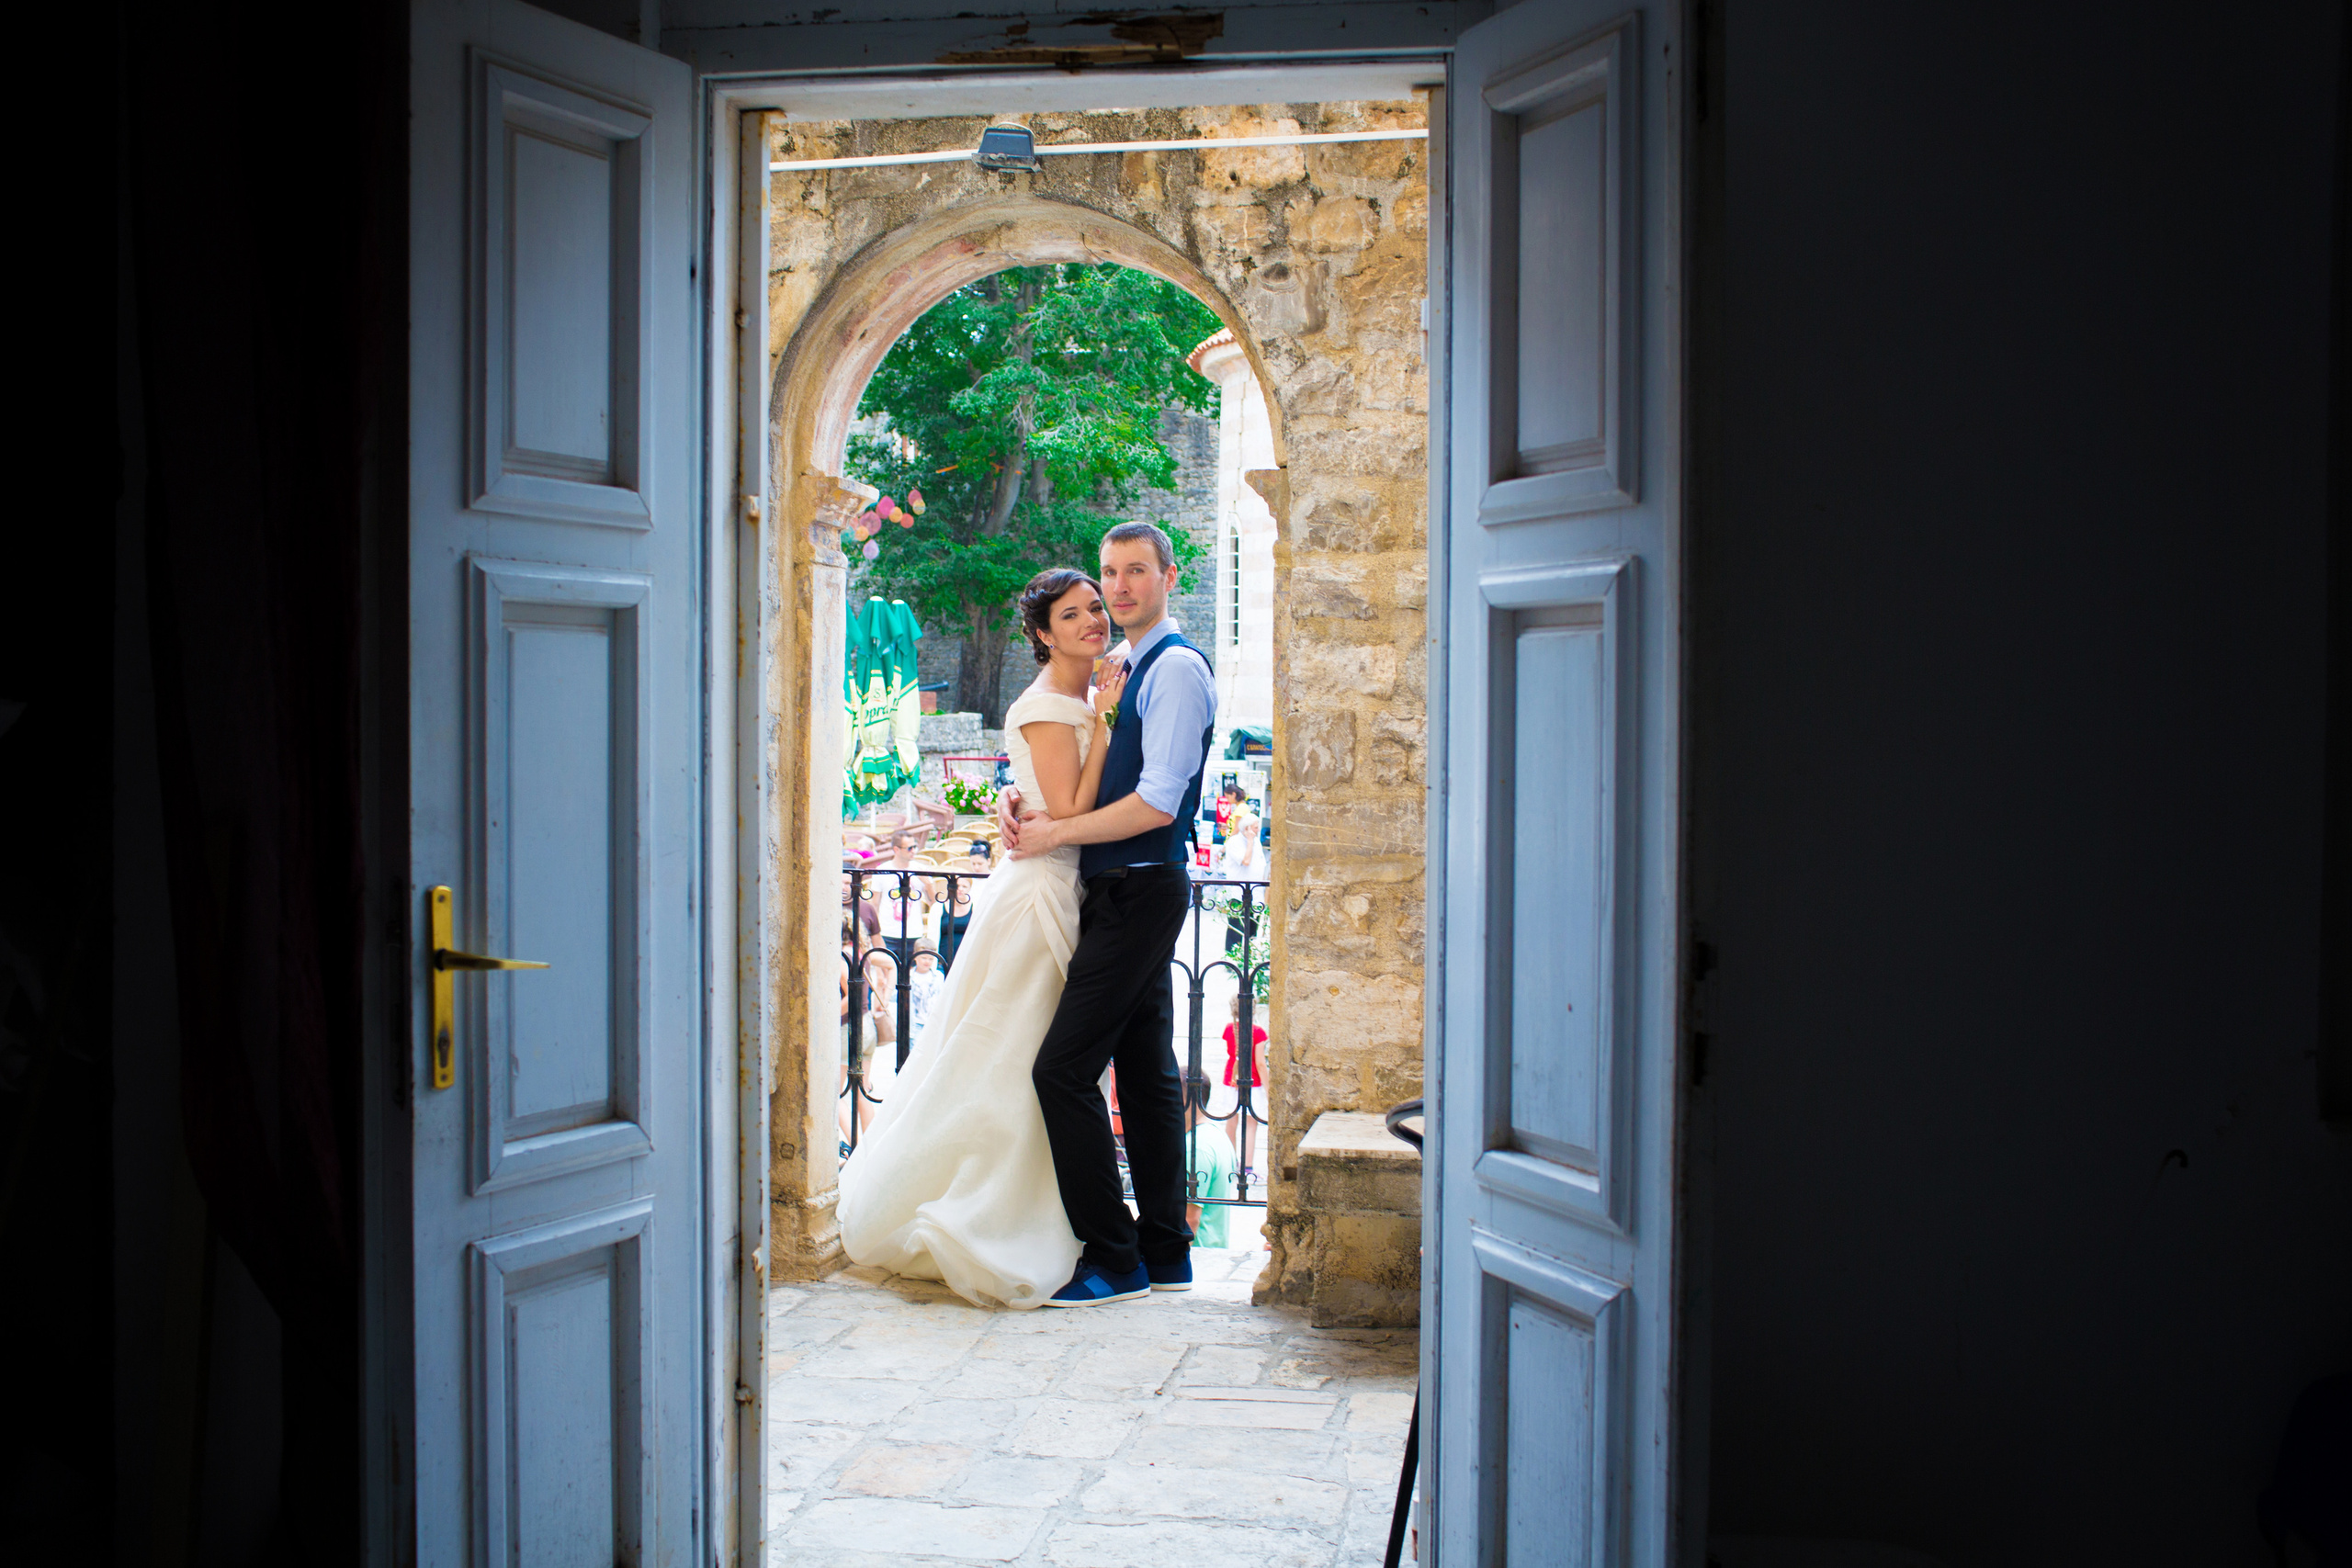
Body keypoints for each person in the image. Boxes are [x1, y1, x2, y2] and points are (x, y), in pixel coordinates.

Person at [833, 568, 1125, 1308]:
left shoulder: (1079, 698)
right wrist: (1110, 725)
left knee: (1027, 1058)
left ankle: (1044, 1204)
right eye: (1073, 614)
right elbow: (1066, 806)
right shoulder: (1053, 705)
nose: (1093, 619)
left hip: (1057, 882)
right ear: (1041, 633)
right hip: (1040, 894)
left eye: (1096, 607)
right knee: (1012, 1056)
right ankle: (985, 1208)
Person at [998, 521, 1218, 1306]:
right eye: (1108, 575)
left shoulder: (1177, 669)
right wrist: (1019, 801)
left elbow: (1158, 802)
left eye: (1133, 573)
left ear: (1168, 574)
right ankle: (1165, 1251)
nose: (1118, 589)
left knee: (1060, 1069)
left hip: (1138, 884)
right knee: (1146, 1073)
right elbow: (1058, 751)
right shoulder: (1119, 666)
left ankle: (1113, 1253)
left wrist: (1057, 830)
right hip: (1119, 888)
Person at [1184, 1095, 1238, 1249]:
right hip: (1214, 1247)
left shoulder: (1195, 1148)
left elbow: (1190, 1219)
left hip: (1197, 1251)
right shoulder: (1216, 1134)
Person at [1219, 991, 1267, 1156]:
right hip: (1252, 1082)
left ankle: (1231, 1162)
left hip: (1231, 1080)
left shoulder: (1229, 1029)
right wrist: (1268, 1088)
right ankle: (1247, 1166)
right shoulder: (1258, 1032)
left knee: (1231, 1122)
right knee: (1251, 1125)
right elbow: (1261, 1064)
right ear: (1253, 1009)